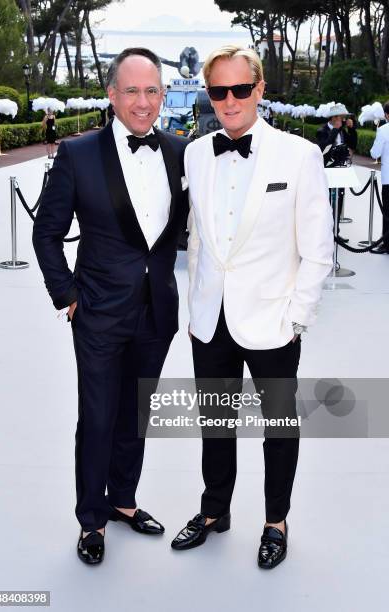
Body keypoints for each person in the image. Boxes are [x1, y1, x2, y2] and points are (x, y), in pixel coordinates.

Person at [171, 45, 334, 569]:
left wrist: (296, 320)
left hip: (273, 322)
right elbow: (198, 240)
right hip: (210, 320)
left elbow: (318, 250)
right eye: (219, 91)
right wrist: (197, 310)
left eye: (241, 89)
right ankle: (216, 510)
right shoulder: (196, 153)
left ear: (260, 89)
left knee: (278, 428)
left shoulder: (298, 155)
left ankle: (275, 521)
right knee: (214, 424)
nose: (230, 100)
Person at [33, 47, 188, 565]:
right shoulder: (78, 154)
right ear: (111, 94)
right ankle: (91, 520)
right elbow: (46, 233)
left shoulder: (179, 151)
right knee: (97, 418)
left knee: (135, 418)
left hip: (156, 313)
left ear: (162, 95)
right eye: (131, 91)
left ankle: (123, 501)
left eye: (151, 91)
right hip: (97, 313)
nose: (142, 103)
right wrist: (69, 298)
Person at [316, 104, 358, 241]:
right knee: (326, 203)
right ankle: (324, 233)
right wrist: (334, 130)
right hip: (327, 171)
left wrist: (352, 129)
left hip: (340, 171)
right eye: (341, 117)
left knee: (339, 201)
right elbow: (324, 149)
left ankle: (335, 232)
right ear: (334, 118)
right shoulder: (322, 131)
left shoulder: (342, 131)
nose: (344, 120)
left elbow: (353, 144)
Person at [370, 101, 389, 254]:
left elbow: (375, 153)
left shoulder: (383, 130)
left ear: (386, 115)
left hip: (388, 178)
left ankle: (386, 244)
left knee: (387, 213)